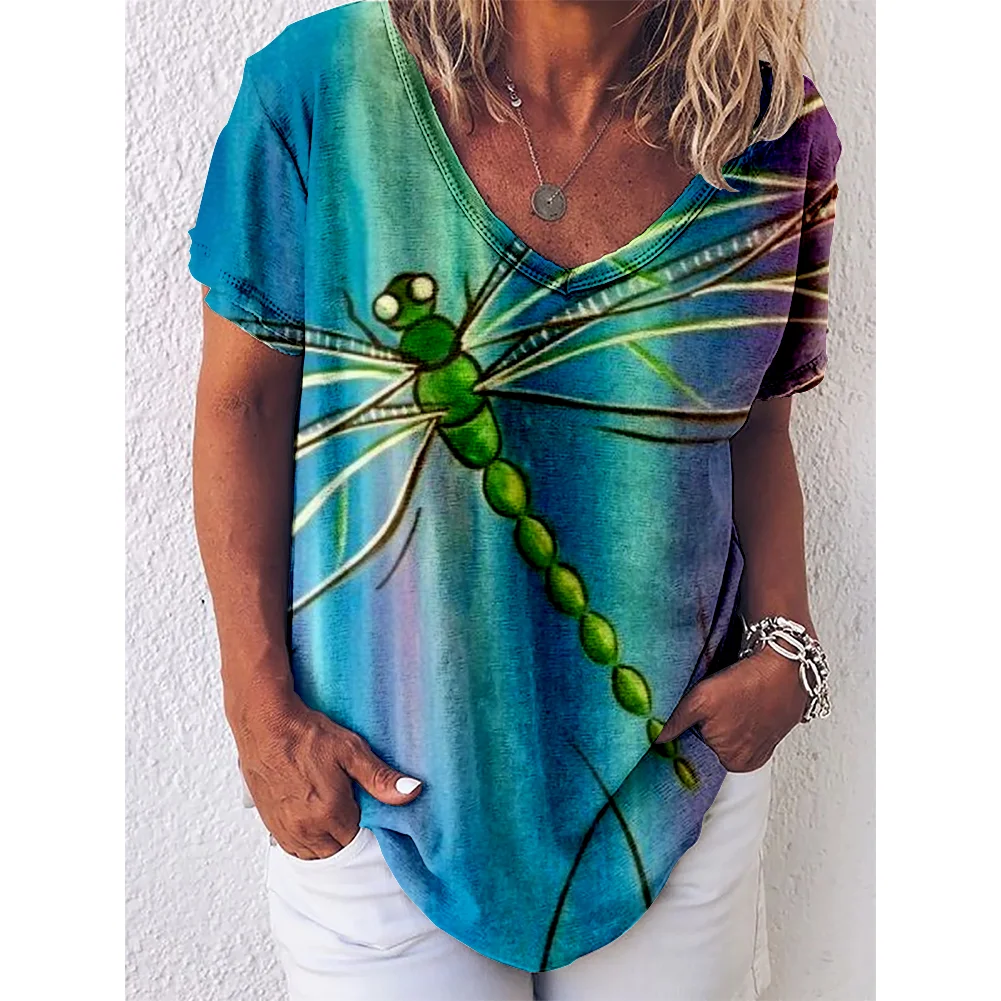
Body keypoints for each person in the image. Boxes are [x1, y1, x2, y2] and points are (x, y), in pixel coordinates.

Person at [187, 0, 841, 998]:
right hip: (382, 781)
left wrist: (786, 646)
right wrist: (258, 708)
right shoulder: (318, 88)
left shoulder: (771, 131)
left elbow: (753, 421)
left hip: (673, 773)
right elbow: (242, 406)